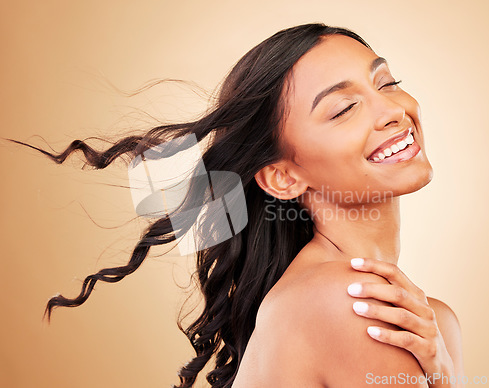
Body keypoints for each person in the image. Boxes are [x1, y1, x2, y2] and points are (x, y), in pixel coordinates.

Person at [8, 23, 464, 387]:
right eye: (344, 108)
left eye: (387, 82)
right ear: (283, 177)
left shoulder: (430, 321)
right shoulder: (353, 305)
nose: (392, 110)